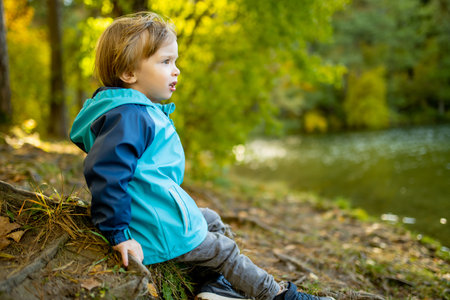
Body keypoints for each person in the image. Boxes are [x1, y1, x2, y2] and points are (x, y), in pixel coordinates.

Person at [70, 12, 334, 300]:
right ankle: (278, 296)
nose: (176, 70)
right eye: (165, 62)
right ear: (129, 74)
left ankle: (216, 286)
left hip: (153, 213)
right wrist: (119, 234)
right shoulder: (130, 116)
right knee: (225, 250)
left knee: (210, 218)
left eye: (175, 61)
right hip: (152, 226)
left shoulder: (133, 111)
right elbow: (107, 173)